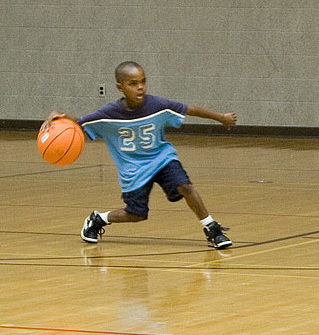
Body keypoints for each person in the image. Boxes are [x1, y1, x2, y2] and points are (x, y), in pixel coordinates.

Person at [42, 61, 237, 249]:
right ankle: (99, 218)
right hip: (133, 169)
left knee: (185, 186)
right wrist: (60, 115)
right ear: (120, 87)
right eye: (133, 84)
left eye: (143, 81)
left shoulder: (158, 105)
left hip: (162, 158)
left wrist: (221, 118)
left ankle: (212, 228)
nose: (140, 87)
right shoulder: (108, 113)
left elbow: (190, 109)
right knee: (137, 215)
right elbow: (80, 122)